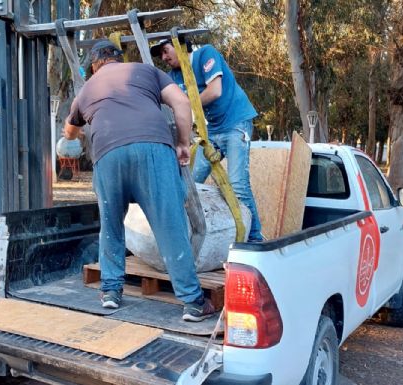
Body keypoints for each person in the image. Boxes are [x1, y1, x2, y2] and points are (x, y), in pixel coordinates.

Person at [64, 40, 216, 322]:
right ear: (119, 59)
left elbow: (69, 131)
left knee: (110, 225)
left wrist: (78, 134)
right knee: (170, 225)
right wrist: (183, 142)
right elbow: (181, 102)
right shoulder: (145, 71)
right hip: (153, 149)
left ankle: (110, 292)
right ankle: (193, 303)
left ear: (95, 65)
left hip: (108, 156)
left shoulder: (86, 90)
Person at [151, 40, 263, 242]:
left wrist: (185, 105)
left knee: (238, 185)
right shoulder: (174, 76)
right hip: (211, 131)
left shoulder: (206, 54)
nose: (164, 58)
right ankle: (193, 236)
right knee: (192, 181)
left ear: (181, 45)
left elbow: (215, 91)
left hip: (236, 123)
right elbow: (161, 98)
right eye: (160, 55)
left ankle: (254, 239)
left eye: (166, 51)